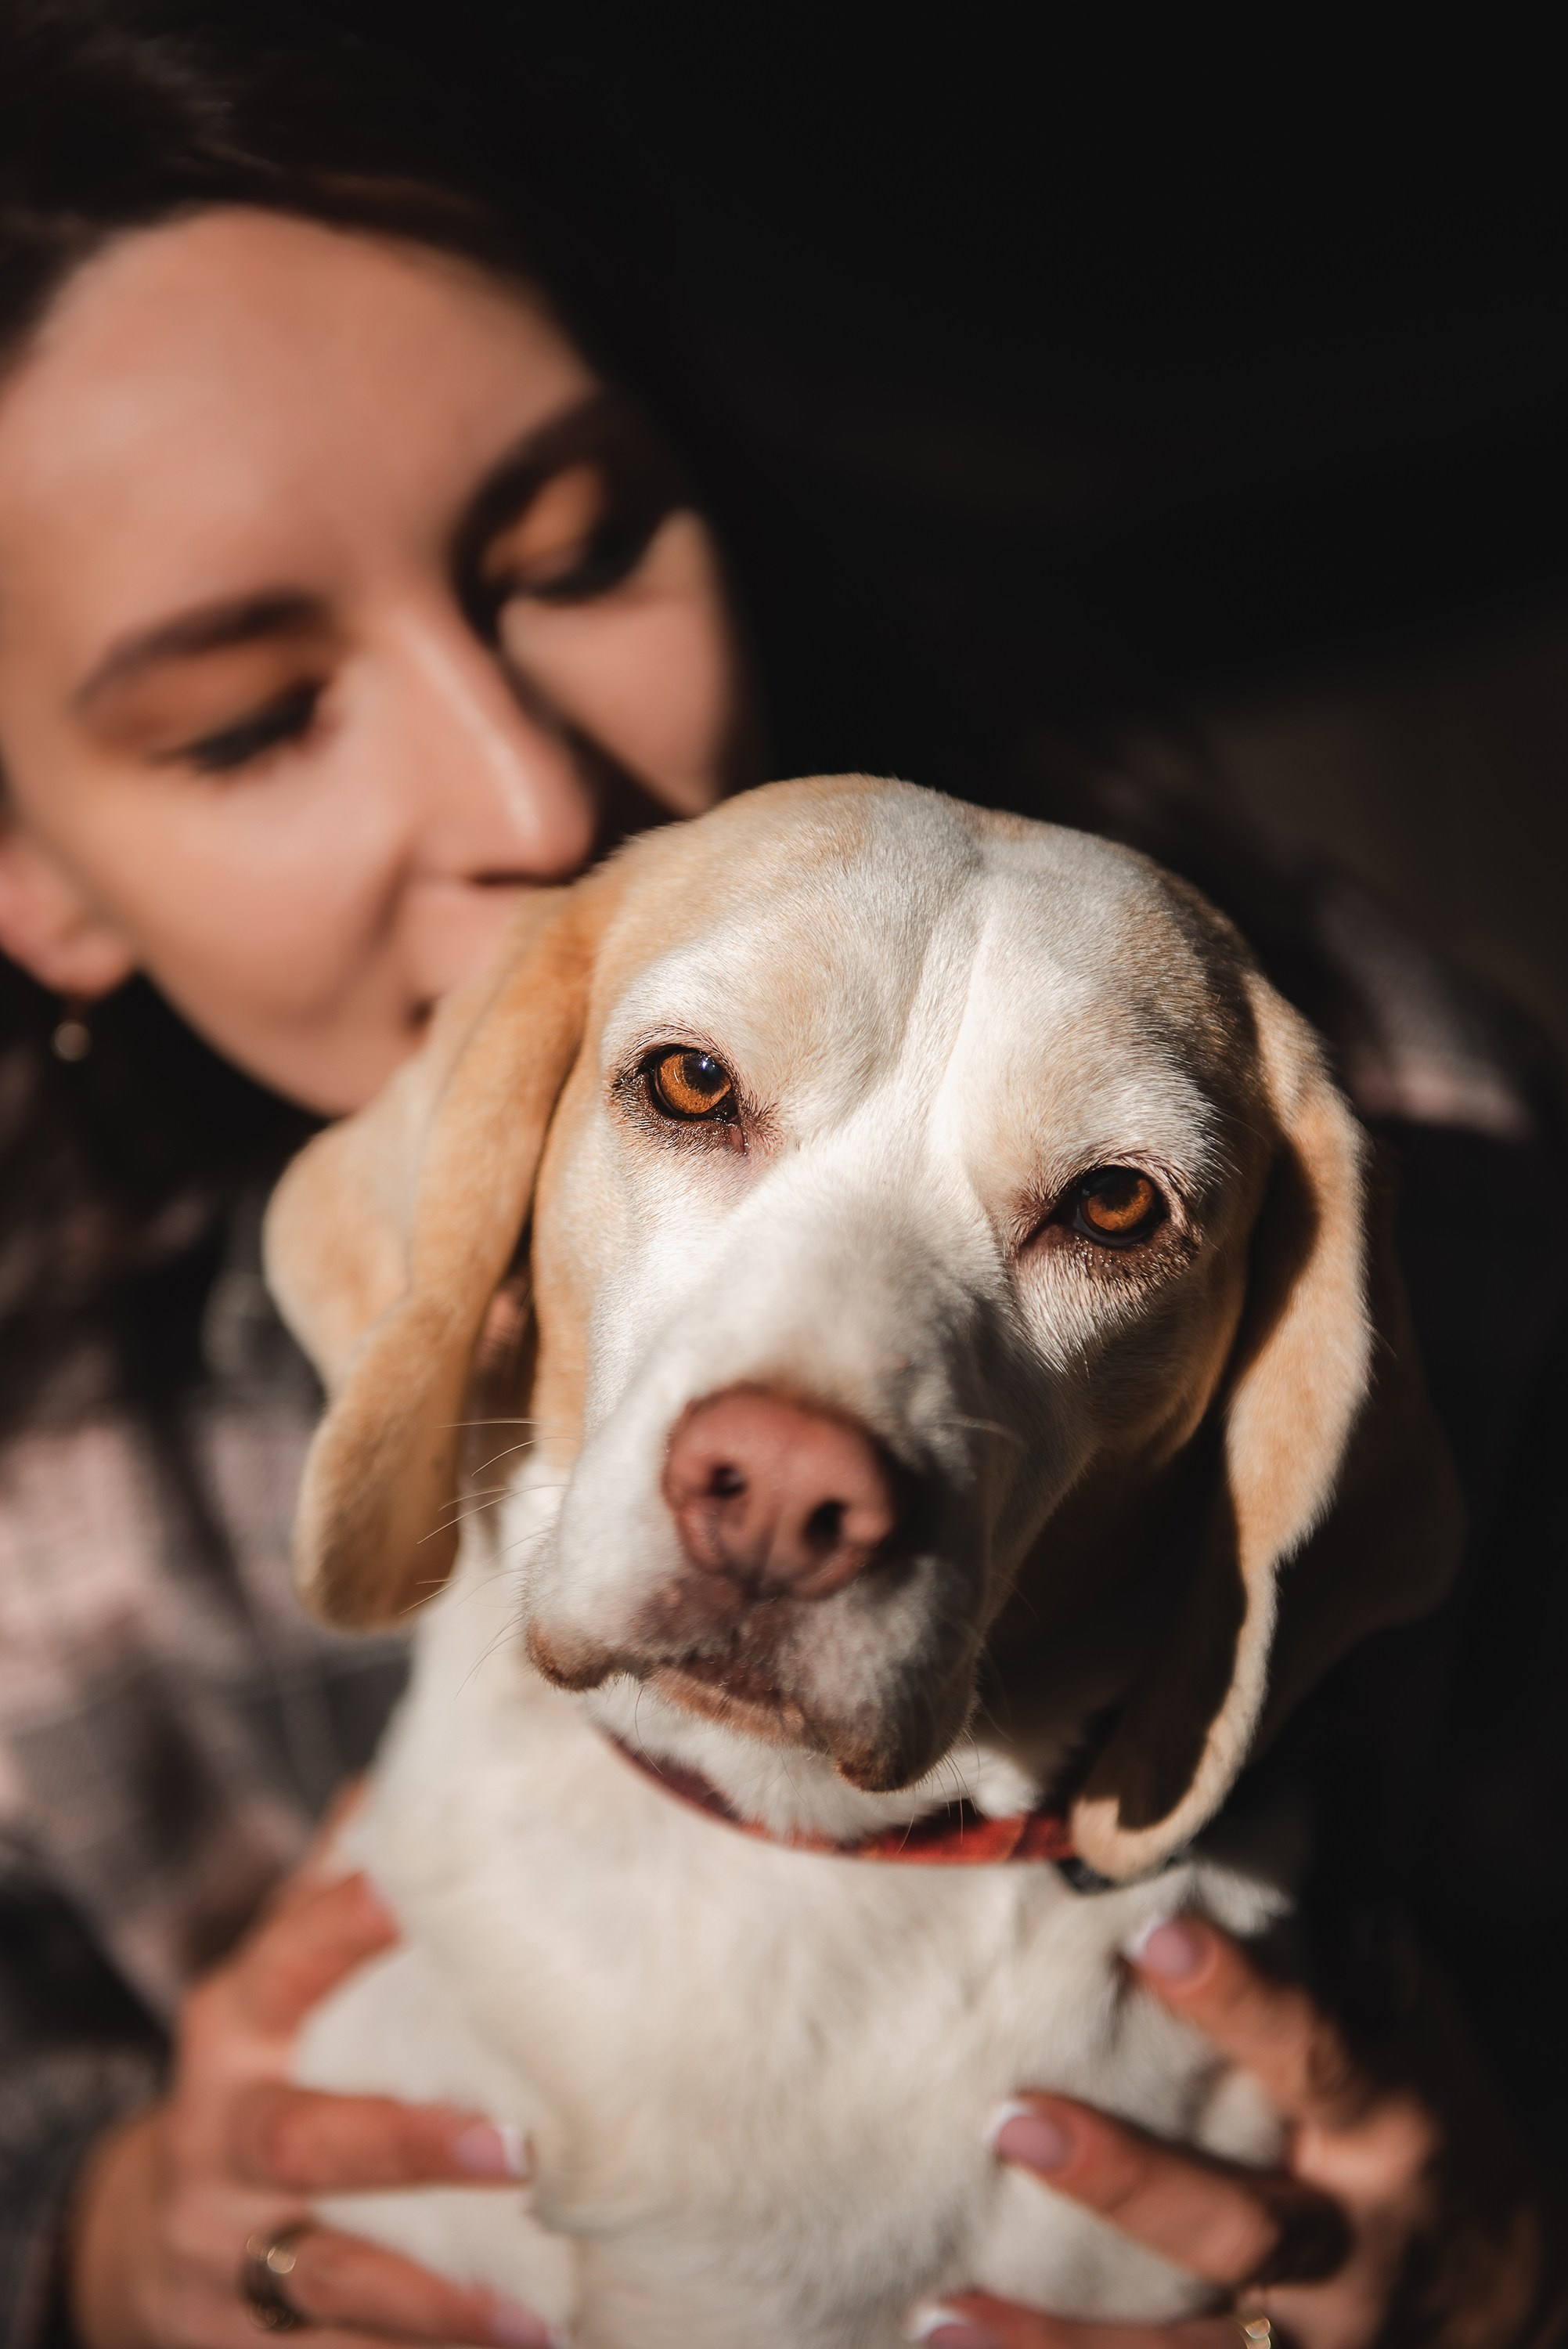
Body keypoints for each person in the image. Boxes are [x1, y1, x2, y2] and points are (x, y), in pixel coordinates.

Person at [0, 9, 1561, 2346]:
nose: (525, 801)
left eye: (575, 543)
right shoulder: (42, 1512)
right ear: (29, 869)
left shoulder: (1411, 1142)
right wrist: (90, 2251)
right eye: (252, 719)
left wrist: (1506, 2272)